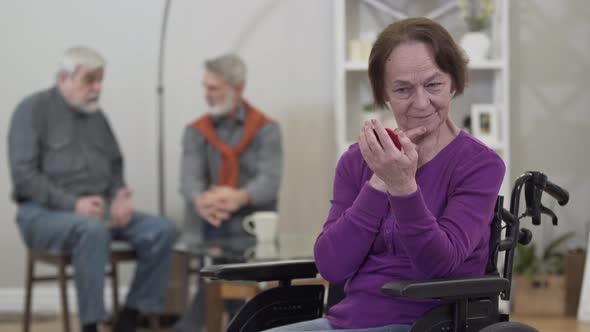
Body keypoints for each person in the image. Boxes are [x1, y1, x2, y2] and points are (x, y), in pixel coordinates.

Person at [267, 17, 505, 332]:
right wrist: (379, 181)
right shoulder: (357, 161)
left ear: (454, 81)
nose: (421, 103)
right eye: (403, 89)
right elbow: (332, 266)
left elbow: (440, 265)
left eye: (433, 85)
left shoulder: (479, 165)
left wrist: (403, 186)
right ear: (383, 93)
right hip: (345, 322)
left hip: (428, 324)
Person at [7, 46, 177, 332]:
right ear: (65, 78)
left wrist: (120, 196)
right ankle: (90, 325)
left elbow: (114, 165)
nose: (97, 88)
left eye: (101, 80)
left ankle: (130, 316)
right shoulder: (32, 110)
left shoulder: (97, 117)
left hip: (99, 212)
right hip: (42, 215)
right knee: (91, 230)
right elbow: (24, 176)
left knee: (162, 230)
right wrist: (74, 204)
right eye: (90, 80)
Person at [175, 53, 282, 332]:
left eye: (214, 88)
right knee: (220, 240)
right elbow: (189, 180)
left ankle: (196, 325)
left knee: (230, 243)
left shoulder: (266, 129)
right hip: (208, 219)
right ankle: (241, 321)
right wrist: (204, 201)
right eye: (205, 87)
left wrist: (236, 197)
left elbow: (269, 182)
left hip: (248, 220)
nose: (206, 94)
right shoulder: (196, 131)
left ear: (238, 88)